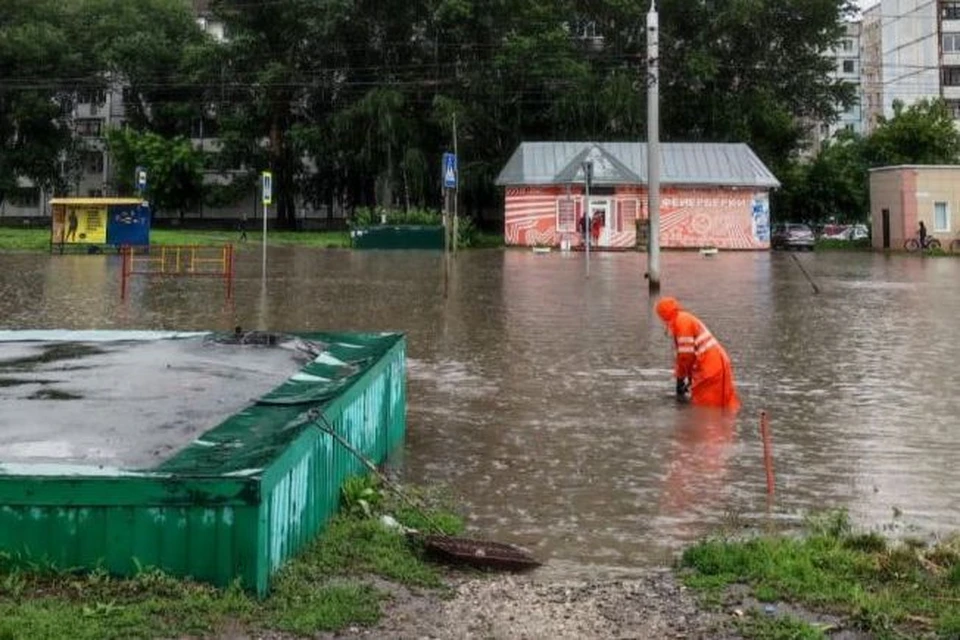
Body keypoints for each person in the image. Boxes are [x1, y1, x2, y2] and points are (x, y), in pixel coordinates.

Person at [655, 296, 740, 411]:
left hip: (711, 367)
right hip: (714, 364)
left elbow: (686, 355)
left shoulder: (682, 322)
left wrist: (680, 378)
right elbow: (686, 355)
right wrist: (686, 378)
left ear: (663, 314)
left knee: (708, 408)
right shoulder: (682, 319)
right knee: (717, 406)